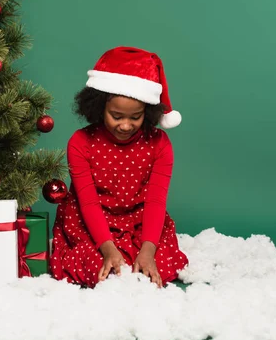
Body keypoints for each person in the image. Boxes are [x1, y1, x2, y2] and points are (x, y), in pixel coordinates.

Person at [50, 46, 189, 288]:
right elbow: (88, 202)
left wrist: (147, 251)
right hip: (91, 221)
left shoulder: (159, 143)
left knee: (161, 265)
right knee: (101, 270)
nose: (125, 126)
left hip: (139, 221)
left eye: (135, 117)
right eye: (116, 116)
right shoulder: (80, 142)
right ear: (99, 107)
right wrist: (107, 248)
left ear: (148, 112)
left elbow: (155, 201)